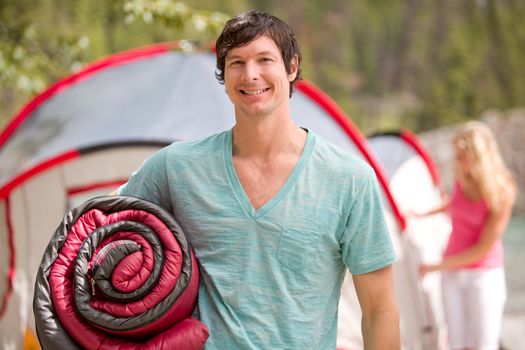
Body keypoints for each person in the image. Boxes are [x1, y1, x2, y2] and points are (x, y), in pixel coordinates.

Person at [117, 10, 399, 349]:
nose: (250, 75)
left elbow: (379, 309)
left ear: (291, 67)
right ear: (223, 75)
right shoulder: (177, 167)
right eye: (236, 63)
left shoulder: (349, 179)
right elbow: (99, 228)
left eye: (264, 60)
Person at [418, 121, 516, 350]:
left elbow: (482, 249)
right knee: (457, 344)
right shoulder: (464, 179)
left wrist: (436, 266)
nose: (456, 161)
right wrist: (419, 214)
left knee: (483, 345)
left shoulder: (503, 191)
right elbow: (453, 204)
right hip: (452, 275)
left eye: (461, 156)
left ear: (478, 156)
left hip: (483, 276)